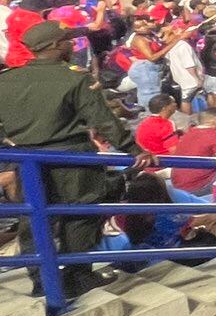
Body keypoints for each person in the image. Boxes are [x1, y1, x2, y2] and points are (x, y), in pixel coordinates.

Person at [0, 20, 149, 298]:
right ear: (56, 46)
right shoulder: (73, 78)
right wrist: (134, 149)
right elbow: (103, 121)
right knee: (79, 218)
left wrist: (11, 148)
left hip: (26, 160)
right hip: (73, 160)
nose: (72, 44)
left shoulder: (6, 80)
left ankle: (42, 281)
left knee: (33, 220)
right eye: (68, 40)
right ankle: (78, 276)